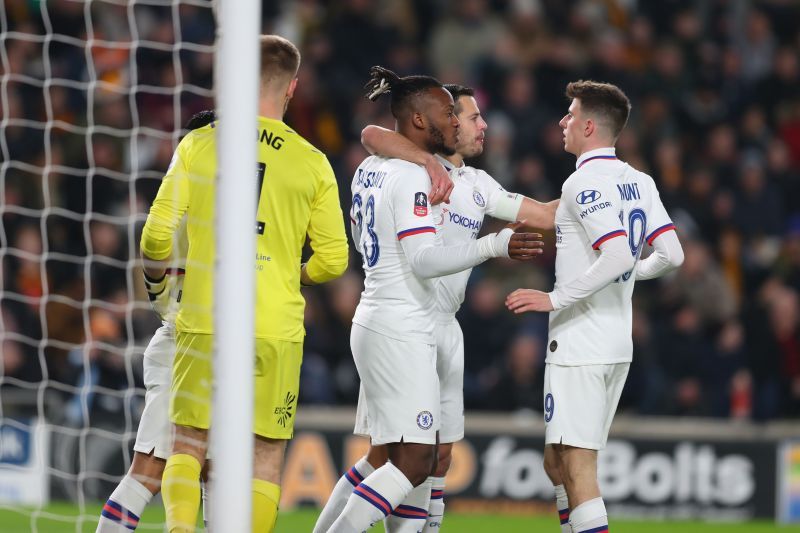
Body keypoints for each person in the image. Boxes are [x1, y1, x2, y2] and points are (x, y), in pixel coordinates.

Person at [313, 83, 556, 533]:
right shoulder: (412, 174)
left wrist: (595, 193)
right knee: (412, 459)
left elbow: (543, 213)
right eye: (462, 115)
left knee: (425, 456)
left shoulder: (473, 184)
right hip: (401, 319)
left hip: (437, 325)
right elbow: (374, 132)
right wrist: (493, 244)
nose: (478, 124)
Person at [140, 35, 349, 532]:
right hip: (273, 324)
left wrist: (163, 294)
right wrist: (290, 273)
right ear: (293, 88)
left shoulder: (198, 142)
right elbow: (335, 261)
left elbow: (154, 236)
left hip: (205, 314)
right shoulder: (312, 160)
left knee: (189, 442)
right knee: (263, 454)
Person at [505, 80, 684, 533]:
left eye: (569, 114)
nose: (562, 121)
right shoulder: (639, 181)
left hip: (580, 343)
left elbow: (620, 253)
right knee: (556, 461)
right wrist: (629, 277)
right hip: (614, 342)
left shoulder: (583, 181)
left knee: (579, 467)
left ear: (587, 125)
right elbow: (671, 255)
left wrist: (554, 298)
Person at [96, 110, 215, 533]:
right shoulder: (213, 205)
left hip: (199, 338)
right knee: (151, 469)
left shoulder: (180, 199)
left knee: (216, 473)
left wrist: (163, 300)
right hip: (185, 343)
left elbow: (154, 254)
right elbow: (153, 239)